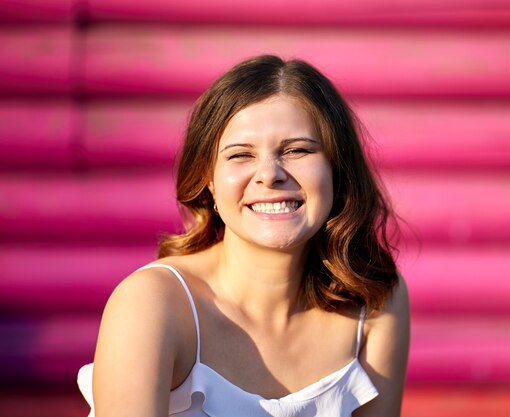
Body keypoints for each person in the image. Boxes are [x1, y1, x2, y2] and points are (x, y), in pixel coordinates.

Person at [77, 55, 410, 417]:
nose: (270, 174)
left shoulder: (376, 300)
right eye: (240, 155)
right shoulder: (153, 304)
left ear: (337, 169)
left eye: (297, 150)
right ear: (209, 183)